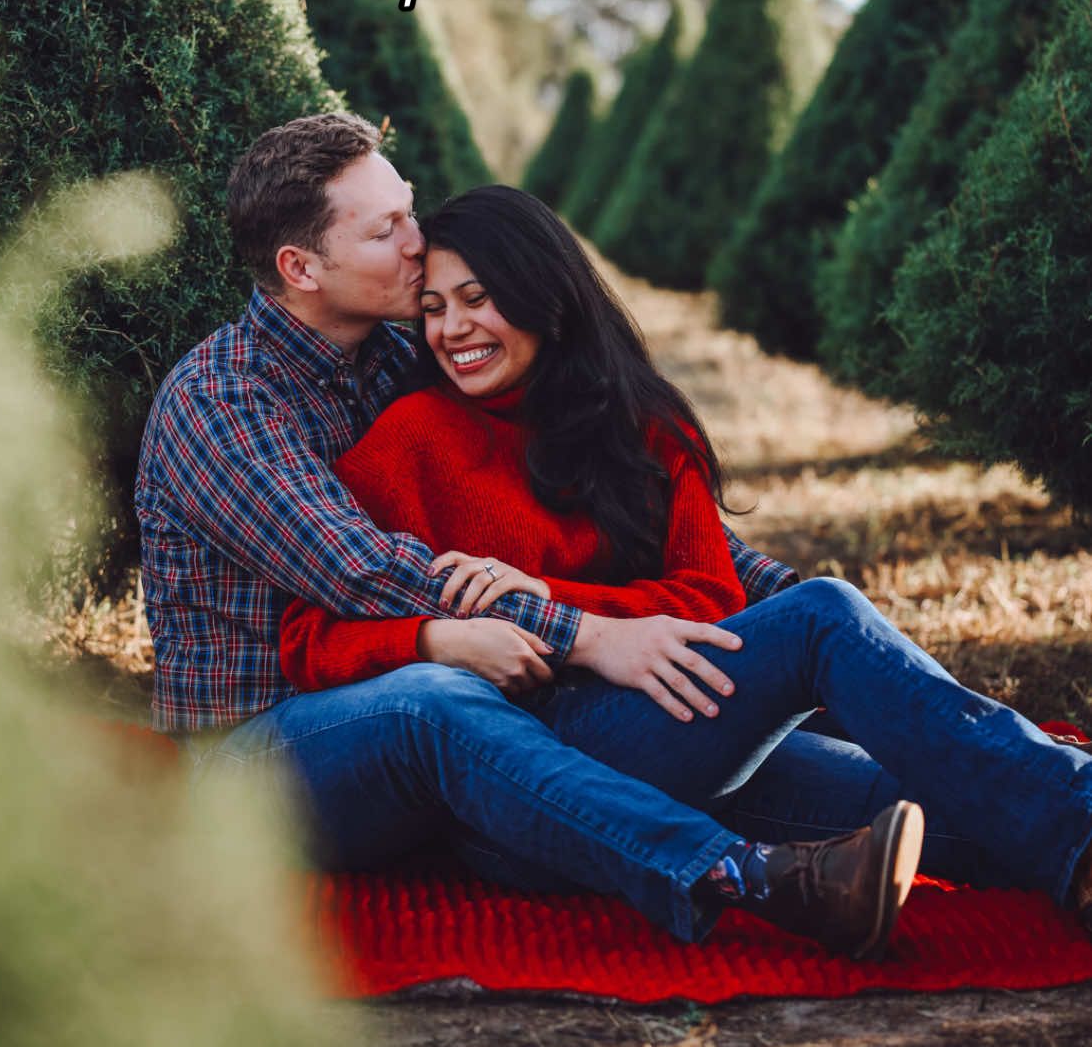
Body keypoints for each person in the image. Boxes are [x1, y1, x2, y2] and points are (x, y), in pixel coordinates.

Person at [273, 183, 1092, 954]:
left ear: (544, 294)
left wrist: (548, 598)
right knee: (823, 616)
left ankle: (1073, 841)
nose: (453, 330)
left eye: (478, 298)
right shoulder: (412, 439)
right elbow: (311, 639)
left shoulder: (641, 426)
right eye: (433, 308)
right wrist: (452, 637)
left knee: (919, 799)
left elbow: (708, 595)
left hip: (678, 724)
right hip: (527, 761)